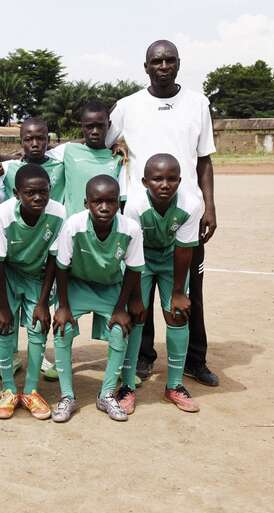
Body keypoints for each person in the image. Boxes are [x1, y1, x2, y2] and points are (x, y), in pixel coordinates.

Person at [106, 39, 219, 387]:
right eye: (157, 61)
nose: (164, 66)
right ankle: (143, 355)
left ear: (179, 63)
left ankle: (194, 360)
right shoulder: (127, 106)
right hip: (141, 213)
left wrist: (210, 205)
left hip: (186, 213)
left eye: (170, 60)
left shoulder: (198, 104)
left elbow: (204, 159)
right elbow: (104, 144)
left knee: (188, 290)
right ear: (146, 67)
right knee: (140, 285)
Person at [39, 100, 125, 381]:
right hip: (72, 239)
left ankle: (122, 365)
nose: (95, 130)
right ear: (82, 127)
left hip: (104, 240)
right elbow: (34, 155)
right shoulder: (69, 151)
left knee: (114, 303)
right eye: (89, 126)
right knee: (62, 303)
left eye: (100, 125)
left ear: (108, 126)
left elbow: (121, 203)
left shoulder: (119, 158)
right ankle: (59, 362)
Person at [49, 175, 144, 423]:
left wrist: (121, 307)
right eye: (97, 201)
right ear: (86, 203)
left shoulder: (130, 229)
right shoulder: (73, 225)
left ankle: (106, 394)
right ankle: (67, 396)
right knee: (63, 328)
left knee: (119, 330)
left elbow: (133, 270)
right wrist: (63, 306)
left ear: (118, 204)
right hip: (77, 285)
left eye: (111, 202)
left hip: (110, 286)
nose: (104, 207)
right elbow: (61, 267)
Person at [119, 154, 202, 414]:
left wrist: (178, 292)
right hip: (140, 260)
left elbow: (184, 250)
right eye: (157, 179)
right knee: (136, 315)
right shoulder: (134, 206)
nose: (164, 184)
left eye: (171, 179)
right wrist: (134, 296)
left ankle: (174, 385)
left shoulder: (191, 203)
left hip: (170, 260)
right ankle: (127, 386)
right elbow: (132, 252)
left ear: (180, 180)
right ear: (145, 182)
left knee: (177, 315)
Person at [0, 164, 65, 420]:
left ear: (50, 191)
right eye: (30, 193)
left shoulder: (58, 213)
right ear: (16, 193)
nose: (37, 198)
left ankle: (31, 390)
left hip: (37, 275)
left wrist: (43, 303)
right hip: (7, 274)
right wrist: (2, 307)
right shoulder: (2, 214)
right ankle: (9, 390)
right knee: (4, 326)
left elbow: (54, 259)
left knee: (39, 326)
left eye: (43, 192)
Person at [0, 118, 65, 202]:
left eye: (40, 138)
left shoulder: (62, 166)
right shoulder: (6, 169)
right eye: (28, 139)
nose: (35, 144)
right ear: (21, 142)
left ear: (48, 140)